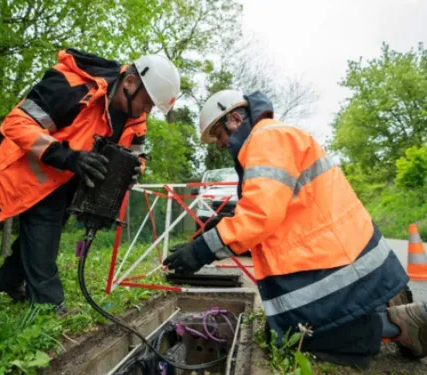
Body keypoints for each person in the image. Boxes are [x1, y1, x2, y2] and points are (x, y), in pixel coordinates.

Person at [163, 89, 427, 368]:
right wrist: (223, 227)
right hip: (339, 253)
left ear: (234, 120)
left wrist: (201, 251)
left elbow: (260, 216)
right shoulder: (274, 136)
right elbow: (276, 203)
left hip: (335, 261)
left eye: (218, 135)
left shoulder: (266, 139)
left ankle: (399, 325)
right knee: (289, 330)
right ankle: (379, 303)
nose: (220, 145)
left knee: (297, 336)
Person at [0, 49, 180, 314]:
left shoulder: (135, 116)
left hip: (66, 177)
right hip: (27, 166)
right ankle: (48, 306)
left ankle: (7, 278)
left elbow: (137, 154)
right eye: (148, 101)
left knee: (49, 228)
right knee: (45, 222)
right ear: (130, 82)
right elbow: (18, 123)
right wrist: (66, 156)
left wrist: (134, 171)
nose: (147, 110)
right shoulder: (71, 86)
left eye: (153, 106)